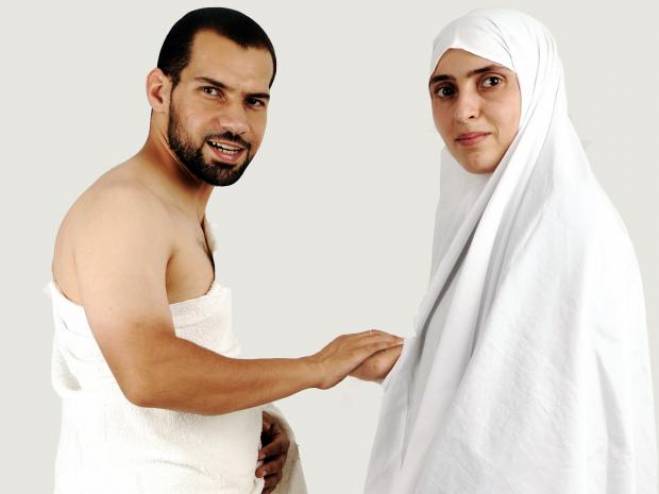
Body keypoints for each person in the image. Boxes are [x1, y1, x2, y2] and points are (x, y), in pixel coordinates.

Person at [46, 7, 402, 494]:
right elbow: (149, 373)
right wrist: (316, 368)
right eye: (212, 91)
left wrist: (250, 420)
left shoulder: (175, 211)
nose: (235, 121)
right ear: (159, 91)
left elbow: (188, 366)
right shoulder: (124, 209)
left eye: (254, 101)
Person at [364, 8, 658, 493]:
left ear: (538, 85)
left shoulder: (566, 223)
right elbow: (504, 359)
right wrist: (410, 361)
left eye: (491, 81)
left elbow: (540, 417)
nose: (464, 110)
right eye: (445, 90)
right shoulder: (487, 213)